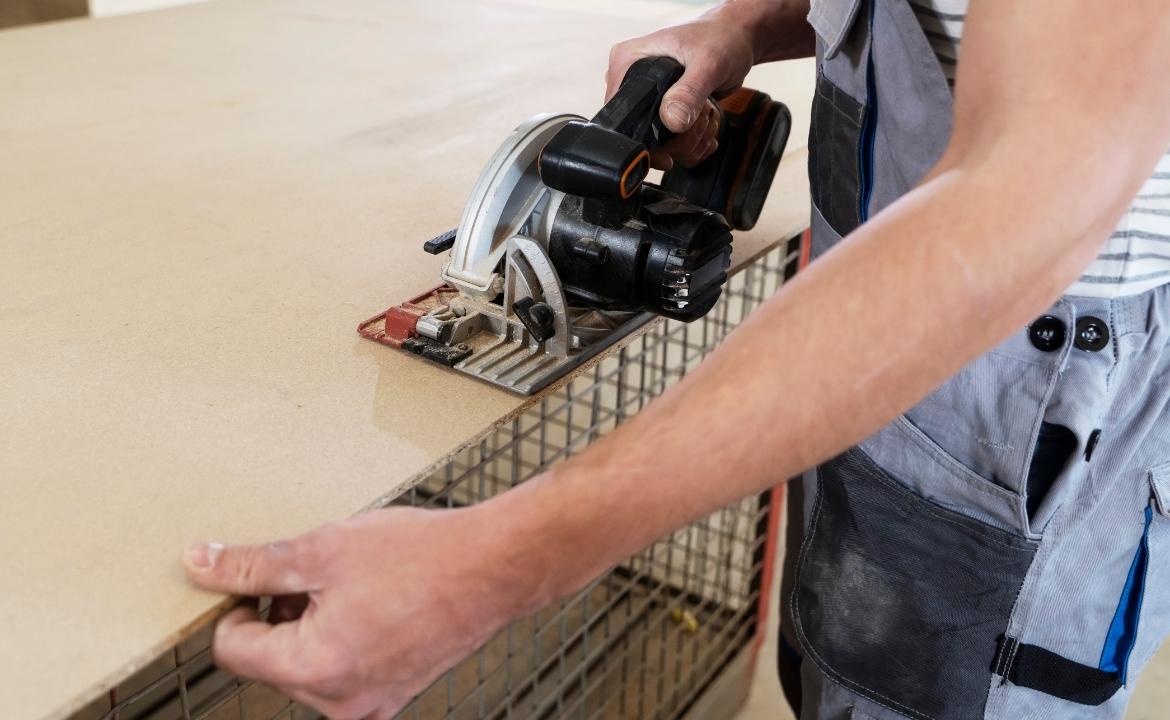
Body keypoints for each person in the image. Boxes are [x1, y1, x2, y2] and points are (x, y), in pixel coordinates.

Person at [181, 0, 1170, 717]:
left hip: (1025, 356)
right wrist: (740, 26)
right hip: (883, 270)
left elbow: (1027, 201)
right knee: (835, 661)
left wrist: (496, 565)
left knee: (921, 690)